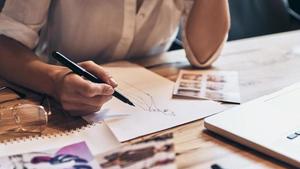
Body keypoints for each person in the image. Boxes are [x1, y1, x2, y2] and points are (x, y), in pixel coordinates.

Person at [0, 0, 230, 116]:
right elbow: (6, 44)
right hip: (52, 105)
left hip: (152, 109)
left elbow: (203, 55)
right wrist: (55, 80)